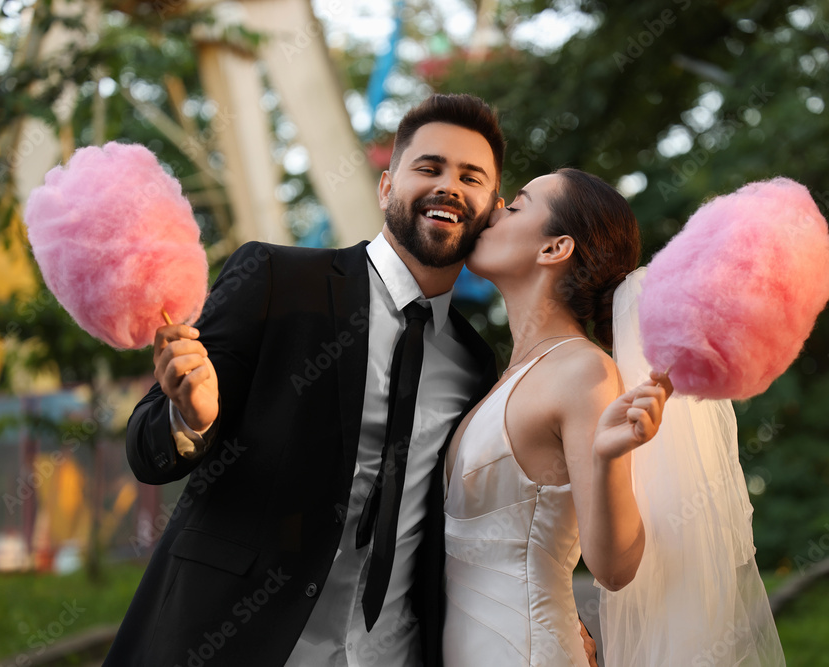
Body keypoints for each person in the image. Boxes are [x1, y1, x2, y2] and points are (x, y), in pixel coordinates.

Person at [105, 93, 505, 666]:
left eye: (471, 177)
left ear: (491, 207)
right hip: (232, 639)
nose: (449, 186)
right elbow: (147, 450)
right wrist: (190, 418)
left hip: (390, 653)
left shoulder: (475, 363)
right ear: (387, 186)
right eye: (429, 167)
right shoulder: (276, 279)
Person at [442, 168, 783, 666]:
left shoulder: (582, 372)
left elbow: (616, 567)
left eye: (515, 205)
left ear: (554, 249)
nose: (492, 210)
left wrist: (605, 459)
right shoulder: (498, 374)